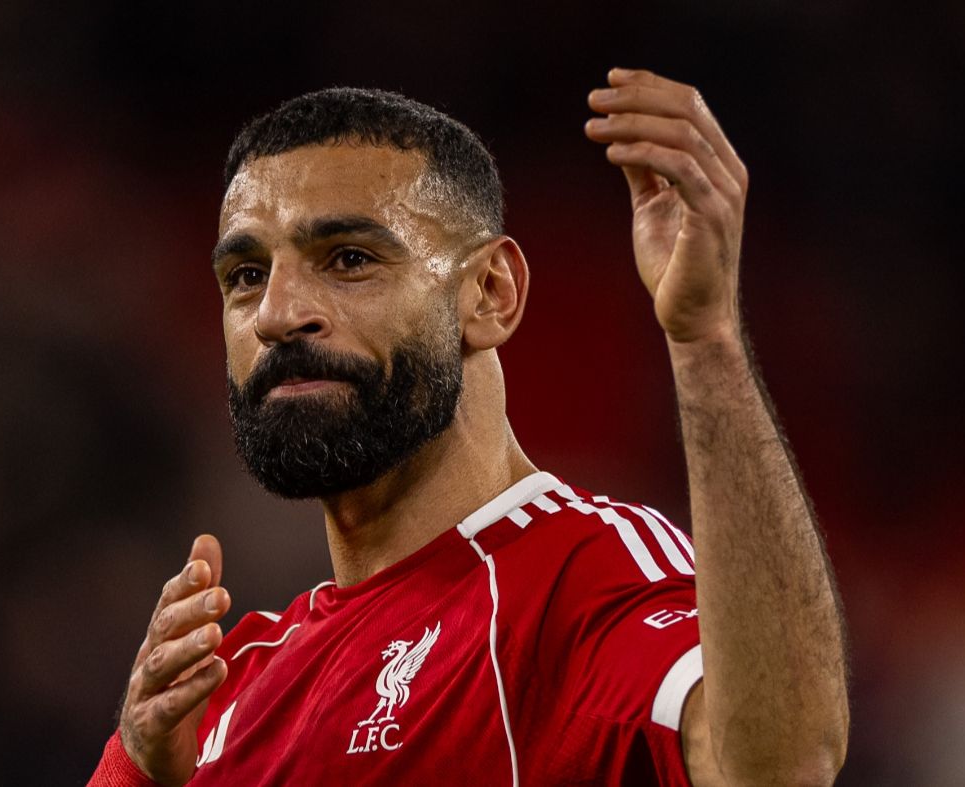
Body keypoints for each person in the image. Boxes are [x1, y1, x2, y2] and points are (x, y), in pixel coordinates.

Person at [87, 67, 849, 786]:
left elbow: (778, 765)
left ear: (489, 292)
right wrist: (138, 768)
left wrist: (705, 337)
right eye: (247, 276)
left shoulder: (582, 580)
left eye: (348, 259)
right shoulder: (233, 687)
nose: (278, 314)